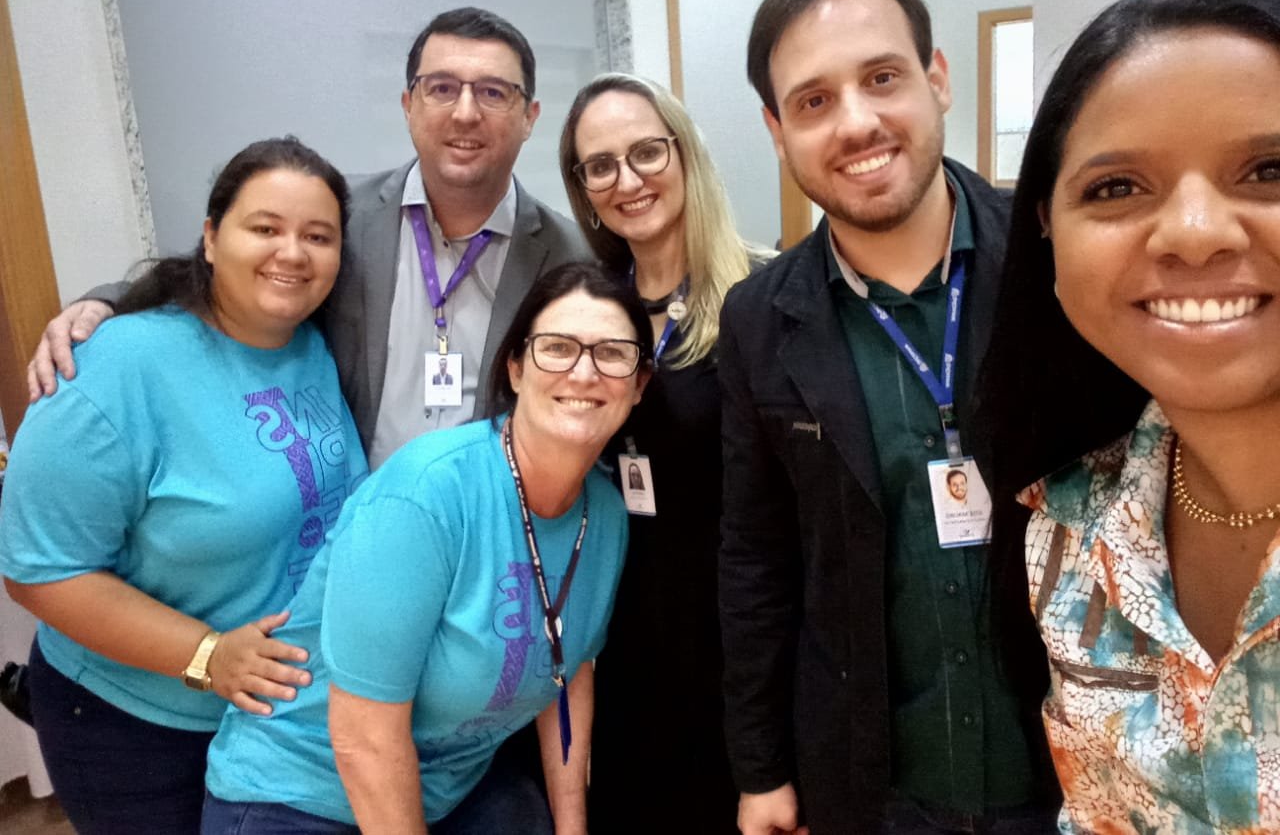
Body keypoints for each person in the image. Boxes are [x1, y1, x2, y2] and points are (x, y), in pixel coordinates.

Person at [717, 0, 1057, 834]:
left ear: (937, 78)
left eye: (881, 78)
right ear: (777, 130)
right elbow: (755, 561)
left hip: (1071, 773)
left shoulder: (1057, 258)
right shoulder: (758, 319)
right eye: (813, 100)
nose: (856, 122)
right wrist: (760, 770)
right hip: (873, 786)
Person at [26, 6, 590, 468]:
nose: (465, 113)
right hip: (348, 519)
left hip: (490, 525)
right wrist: (106, 303)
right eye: (441, 88)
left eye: (493, 93)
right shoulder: (338, 217)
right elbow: (227, 275)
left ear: (530, 116)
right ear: (408, 105)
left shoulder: (571, 256)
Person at [200, 262, 652, 834]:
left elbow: (570, 670)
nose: (584, 373)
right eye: (557, 348)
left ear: (640, 384)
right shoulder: (425, 495)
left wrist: (572, 828)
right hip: (304, 791)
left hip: (449, 791)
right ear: (515, 368)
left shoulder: (604, 514)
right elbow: (364, 738)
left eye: (612, 354)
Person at [982, 0, 1280, 834]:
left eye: (1269, 171)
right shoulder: (1068, 527)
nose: (1194, 232)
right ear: (1046, 228)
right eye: (1116, 187)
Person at [0, 137, 369, 834]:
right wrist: (207, 656)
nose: (293, 252)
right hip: (136, 727)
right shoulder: (114, 369)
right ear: (210, 237)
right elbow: (38, 572)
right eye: (265, 228)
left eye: (318, 237)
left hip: (272, 720)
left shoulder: (311, 346)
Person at [558, 72, 767, 833]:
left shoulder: (766, 298)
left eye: (646, 152)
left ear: (685, 154)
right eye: (600, 165)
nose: (628, 180)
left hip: (742, 647)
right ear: (584, 189)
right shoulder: (588, 310)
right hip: (624, 645)